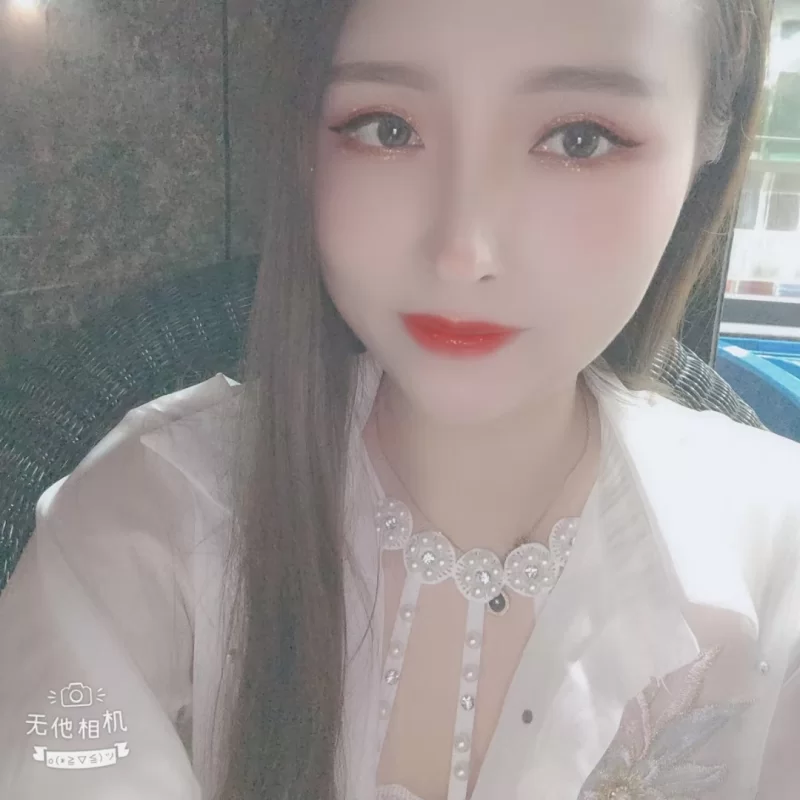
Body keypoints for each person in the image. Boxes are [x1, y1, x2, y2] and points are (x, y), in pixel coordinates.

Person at [1, 0, 799, 798]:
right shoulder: (146, 522)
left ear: (708, 147)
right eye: (386, 128)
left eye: (579, 139)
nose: (461, 252)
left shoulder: (778, 558)